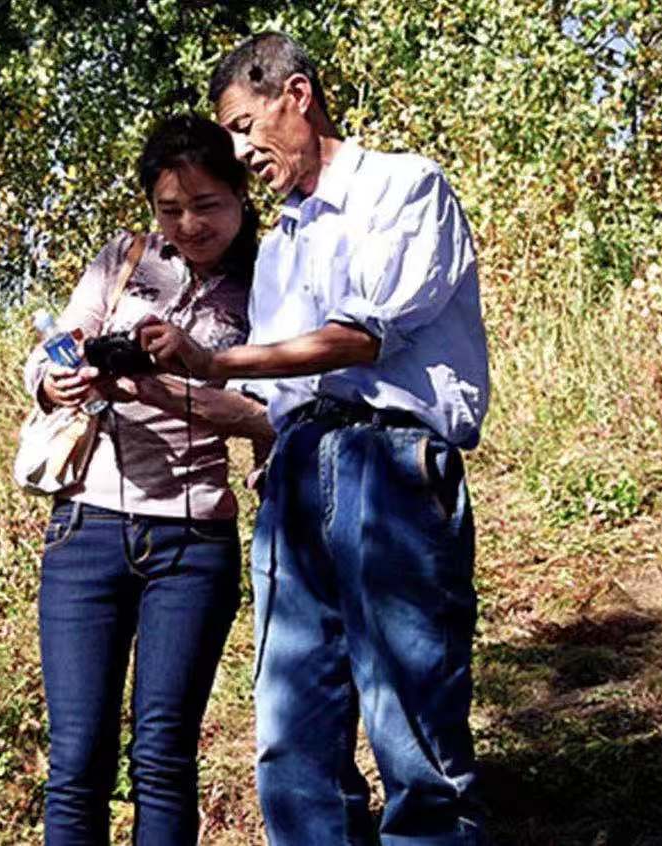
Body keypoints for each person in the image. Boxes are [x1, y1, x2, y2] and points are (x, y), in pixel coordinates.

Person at [140, 32, 492, 846]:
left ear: (294, 96)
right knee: (290, 733)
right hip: (295, 470)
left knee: (410, 727)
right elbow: (268, 402)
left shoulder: (404, 188)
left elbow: (361, 337)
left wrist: (219, 359)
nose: (237, 151)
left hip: (390, 466)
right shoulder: (282, 242)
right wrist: (159, 388)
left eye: (240, 125)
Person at [23, 113, 272, 846]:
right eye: (170, 208)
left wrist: (170, 376)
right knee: (76, 761)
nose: (190, 224)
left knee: (162, 757)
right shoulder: (124, 258)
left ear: (240, 196)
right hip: (85, 529)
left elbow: (265, 414)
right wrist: (56, 382)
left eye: (207, 206)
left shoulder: (268, 282)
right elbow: (48, 353)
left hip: (193, 538)